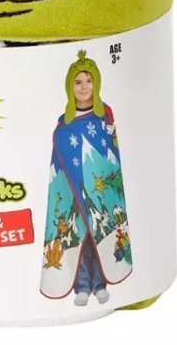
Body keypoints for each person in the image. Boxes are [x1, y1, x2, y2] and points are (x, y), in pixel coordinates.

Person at [39, 51, 133, 305]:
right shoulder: (65, 122)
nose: (84, 87)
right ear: (70, 87)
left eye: (89, 81)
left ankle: (99, 284)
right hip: (74, 188)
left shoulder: (105, 117)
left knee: (99, 235)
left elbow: (111, 152)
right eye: (78, 82)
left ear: (97, 84)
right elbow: (60, 158)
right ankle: (82, 285)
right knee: (81, 236)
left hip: (99, 189)